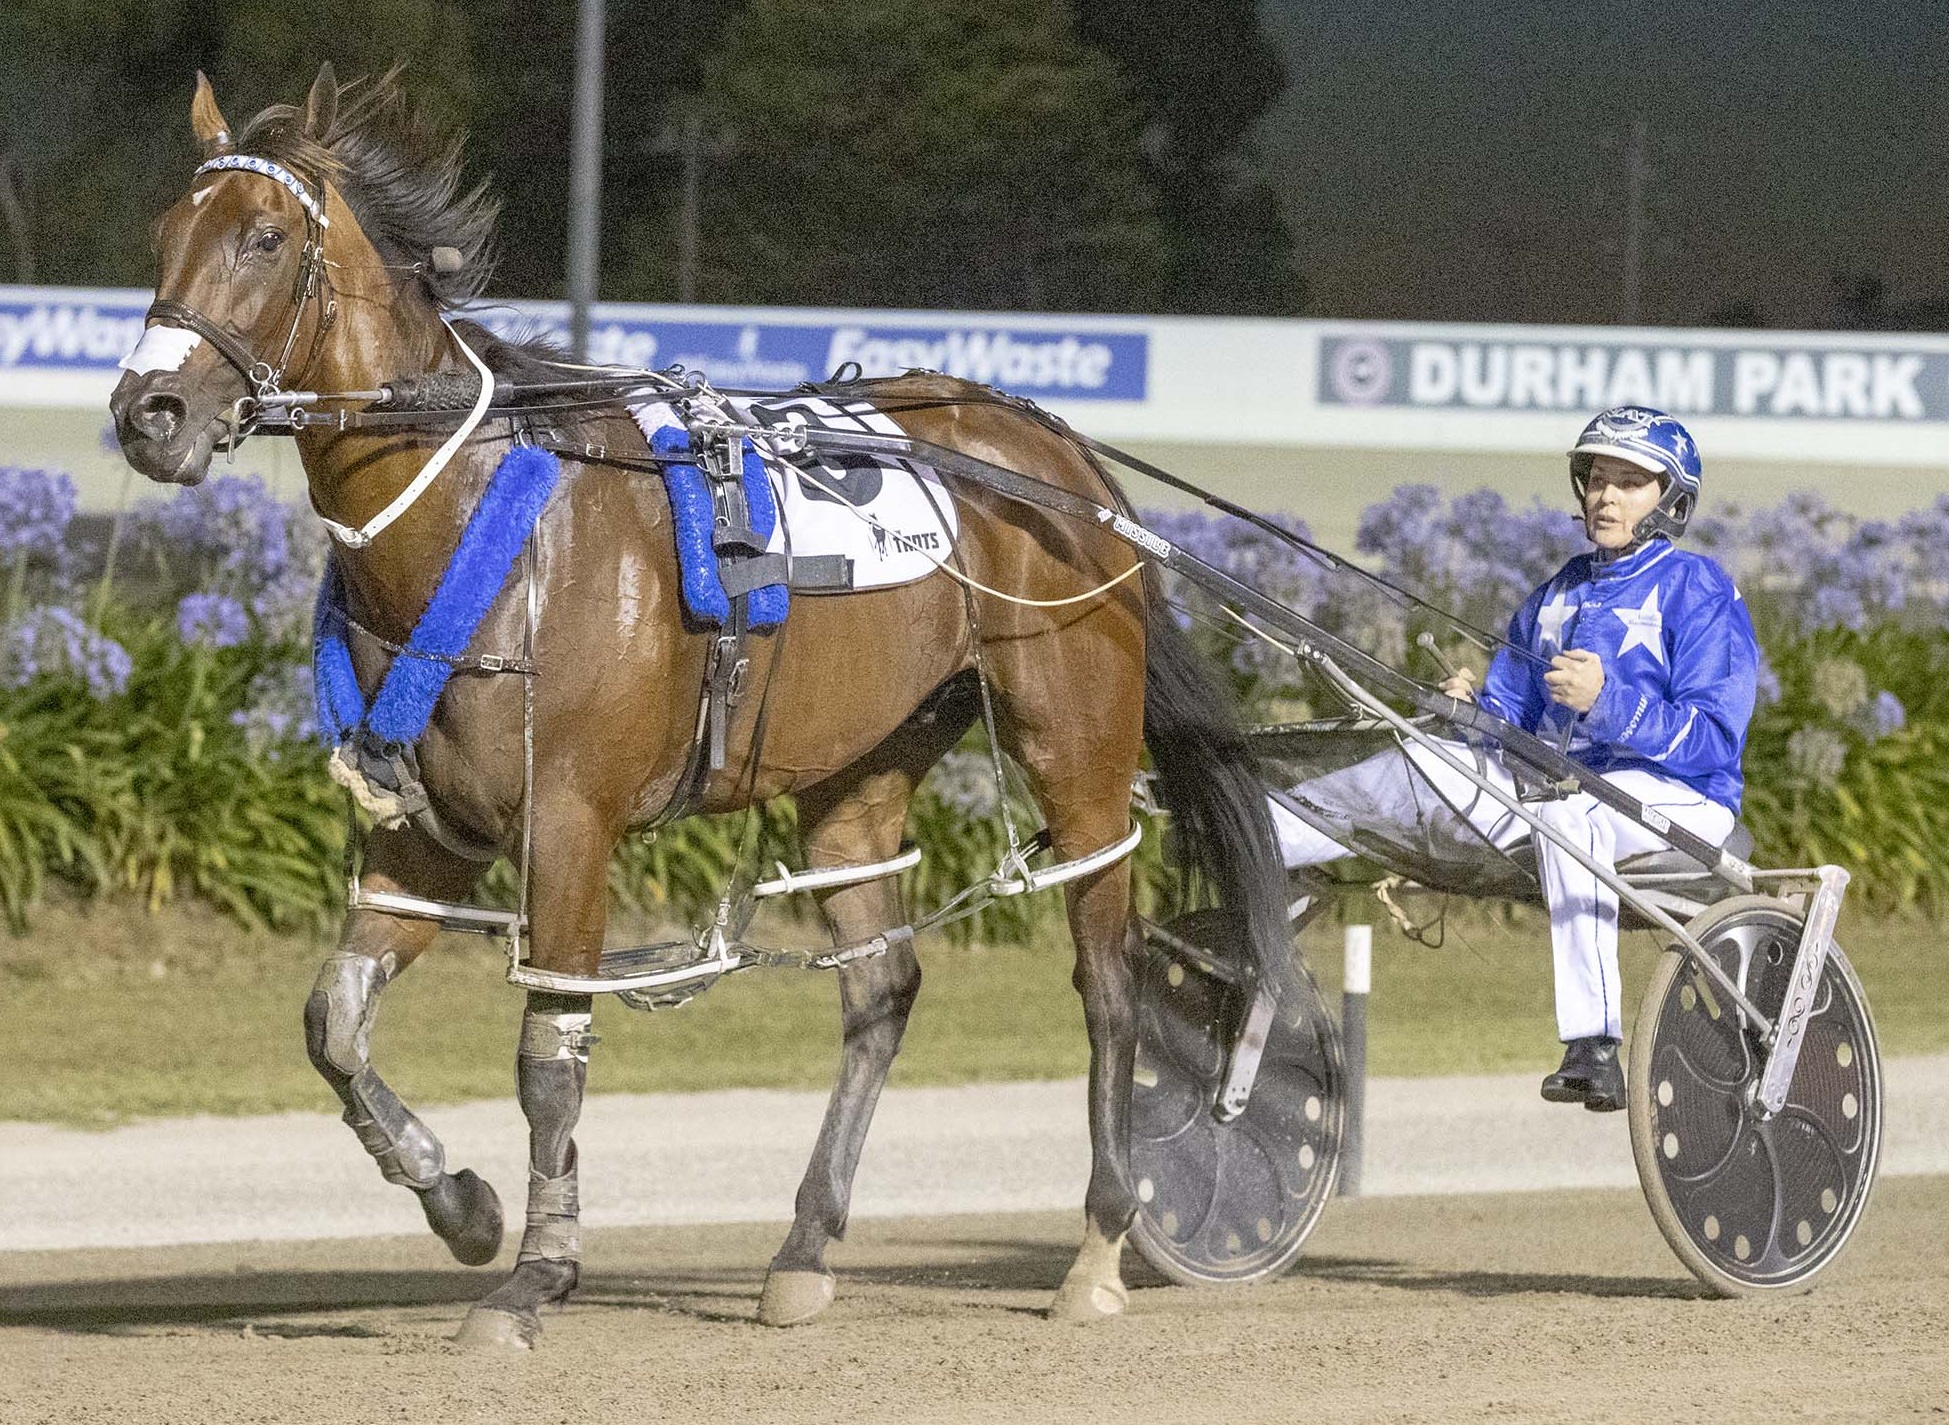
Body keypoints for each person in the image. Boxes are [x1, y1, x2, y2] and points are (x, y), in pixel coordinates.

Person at [1272, 406, 1760, 1111]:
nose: (1605, 496)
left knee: (1568, 808)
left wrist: (1606, 701)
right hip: (1560, 794)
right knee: (1423, 755)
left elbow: (1713, 737)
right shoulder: (1555, 594)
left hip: (1683, 803)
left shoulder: (1699, 588)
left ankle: (1594, 1045)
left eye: (1629, 482)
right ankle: (1257, 845)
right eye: (1596, 478)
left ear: (1671, 500)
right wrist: (1467, 710)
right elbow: (1508, 725)